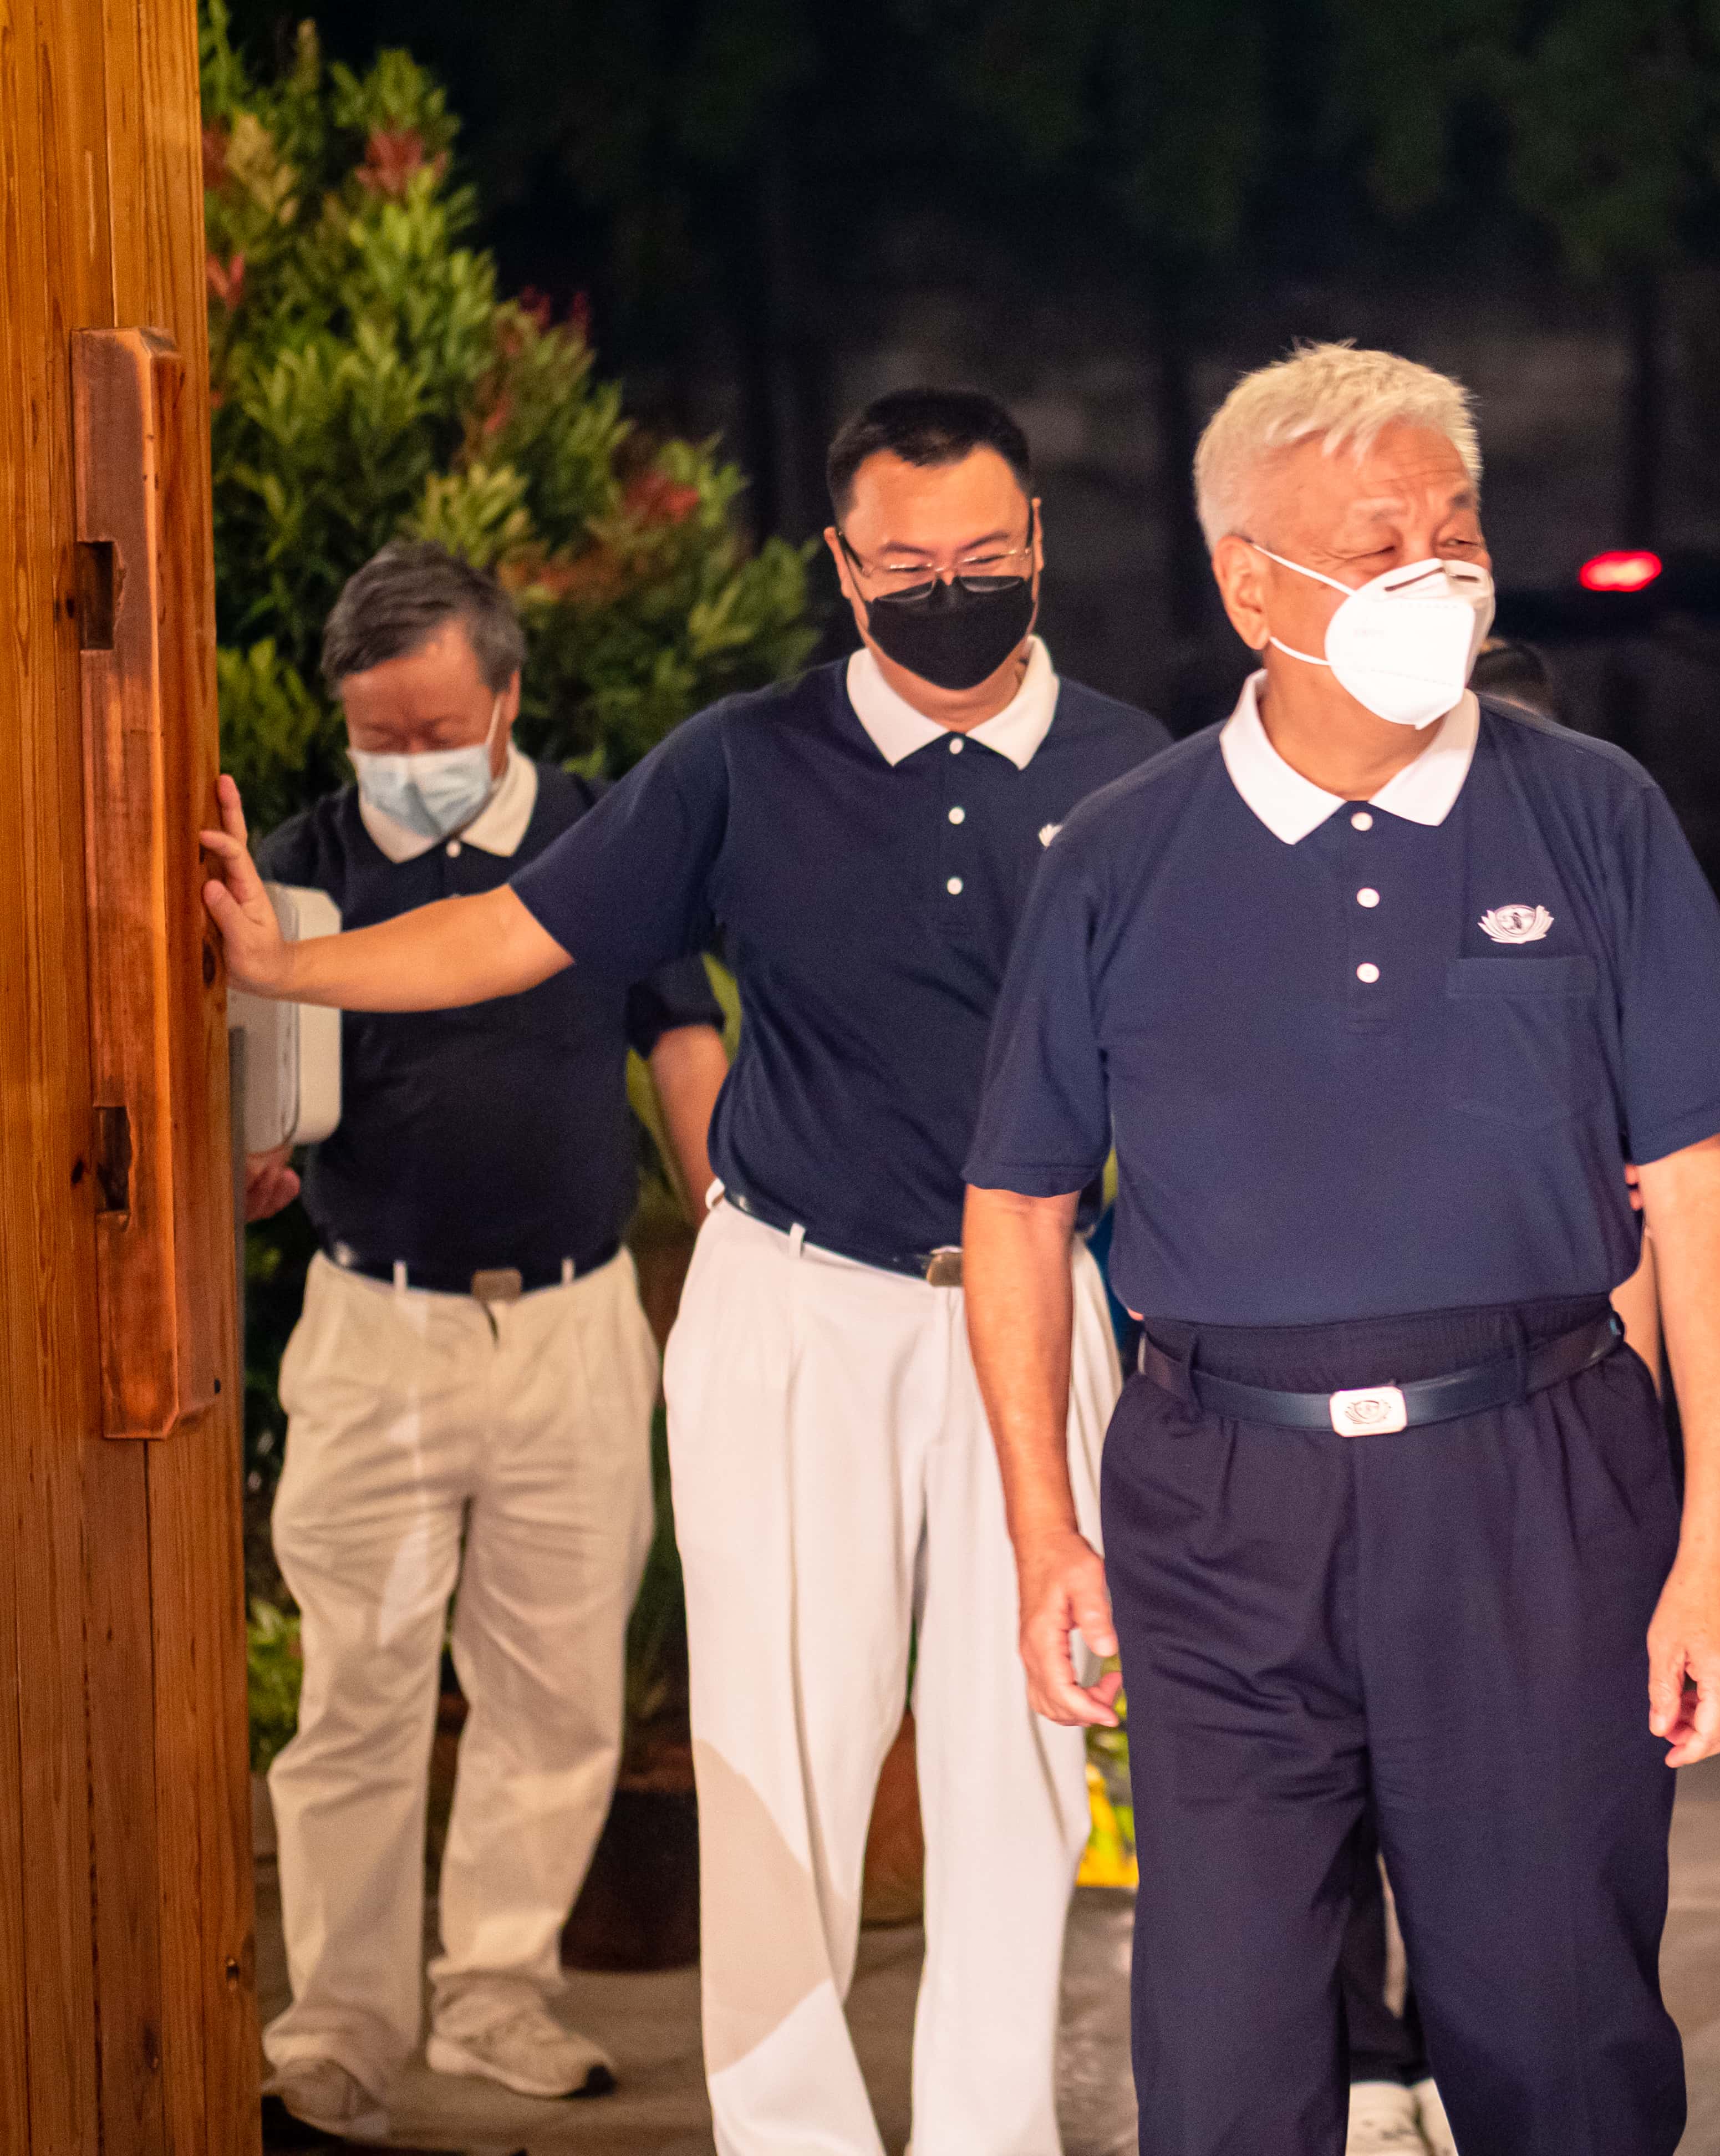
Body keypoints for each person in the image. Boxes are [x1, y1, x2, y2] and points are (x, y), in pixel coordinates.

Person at [202, 391, 1169, 2156]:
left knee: (1019, 1762)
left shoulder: (1142, 773)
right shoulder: (743, 758)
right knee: (774, 1768)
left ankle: (990, 2135)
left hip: (1041, 1314)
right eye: (905, 565)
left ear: (1036, 541)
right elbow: (516, 928)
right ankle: (791, 2134)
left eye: (981, 558)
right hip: (799, 1307)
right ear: (841, 566)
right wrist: (286, 965)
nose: (947, 592)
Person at [963, 342, 1720, 2156]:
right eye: (1376, 540)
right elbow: (1018, 1204)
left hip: (1536, 1484)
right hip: (1215, 1503)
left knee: (1559, 2044)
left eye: (1457, 529)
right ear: (1252, 582)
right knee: (1227, 2050)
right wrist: (1045, 1539)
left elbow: (1704, 1188)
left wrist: (1717, 1539)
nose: (1435, 572)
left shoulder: (1595, 814)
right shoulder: (1120, 854)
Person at [246, 543, 727, 2143]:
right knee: (360, 1695)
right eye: (376, 736)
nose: (406, 763)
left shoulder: (602, 838)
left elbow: (682, 1030)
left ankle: (499, 1995)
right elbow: (244, 1084)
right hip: (378, 1329)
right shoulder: (303, 874)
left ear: (507, 698)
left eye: (436, 726)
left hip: (579, 1320)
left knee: (556, 1687)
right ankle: (341, 2031)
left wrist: (722, 1221)